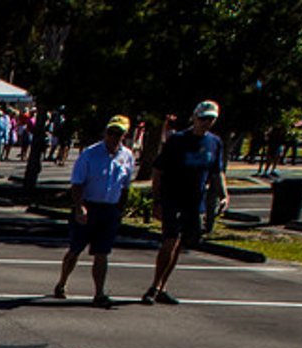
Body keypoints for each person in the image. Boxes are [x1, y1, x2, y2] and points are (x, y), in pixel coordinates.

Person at [144, 100, 229, 304]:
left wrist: (224, 195)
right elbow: (158, 170)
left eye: (211, 119)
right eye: (203, 118)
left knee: (181, 243)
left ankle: (163, 286)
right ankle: (154, 286)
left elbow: (217, 172)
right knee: (170, 241)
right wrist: (157, 200)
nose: (206, 123)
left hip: (195, 200)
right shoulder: (177, 140)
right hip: (173, 197)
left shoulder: (214, 142)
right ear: (194, 117)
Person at [52, 116, 136, 306]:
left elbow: (125, 186)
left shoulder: (127, 156)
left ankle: (99, 293)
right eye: (111, 132)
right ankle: (62, 282)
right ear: (105, 132)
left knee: (102, 253)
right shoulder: (90, 154)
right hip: (89, 206)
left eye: (118, 133)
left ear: (125, 135)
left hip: (109, 209)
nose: (114, 136)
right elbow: (77, 183)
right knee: (75, 249)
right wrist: (79, 206)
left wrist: (120, 210)